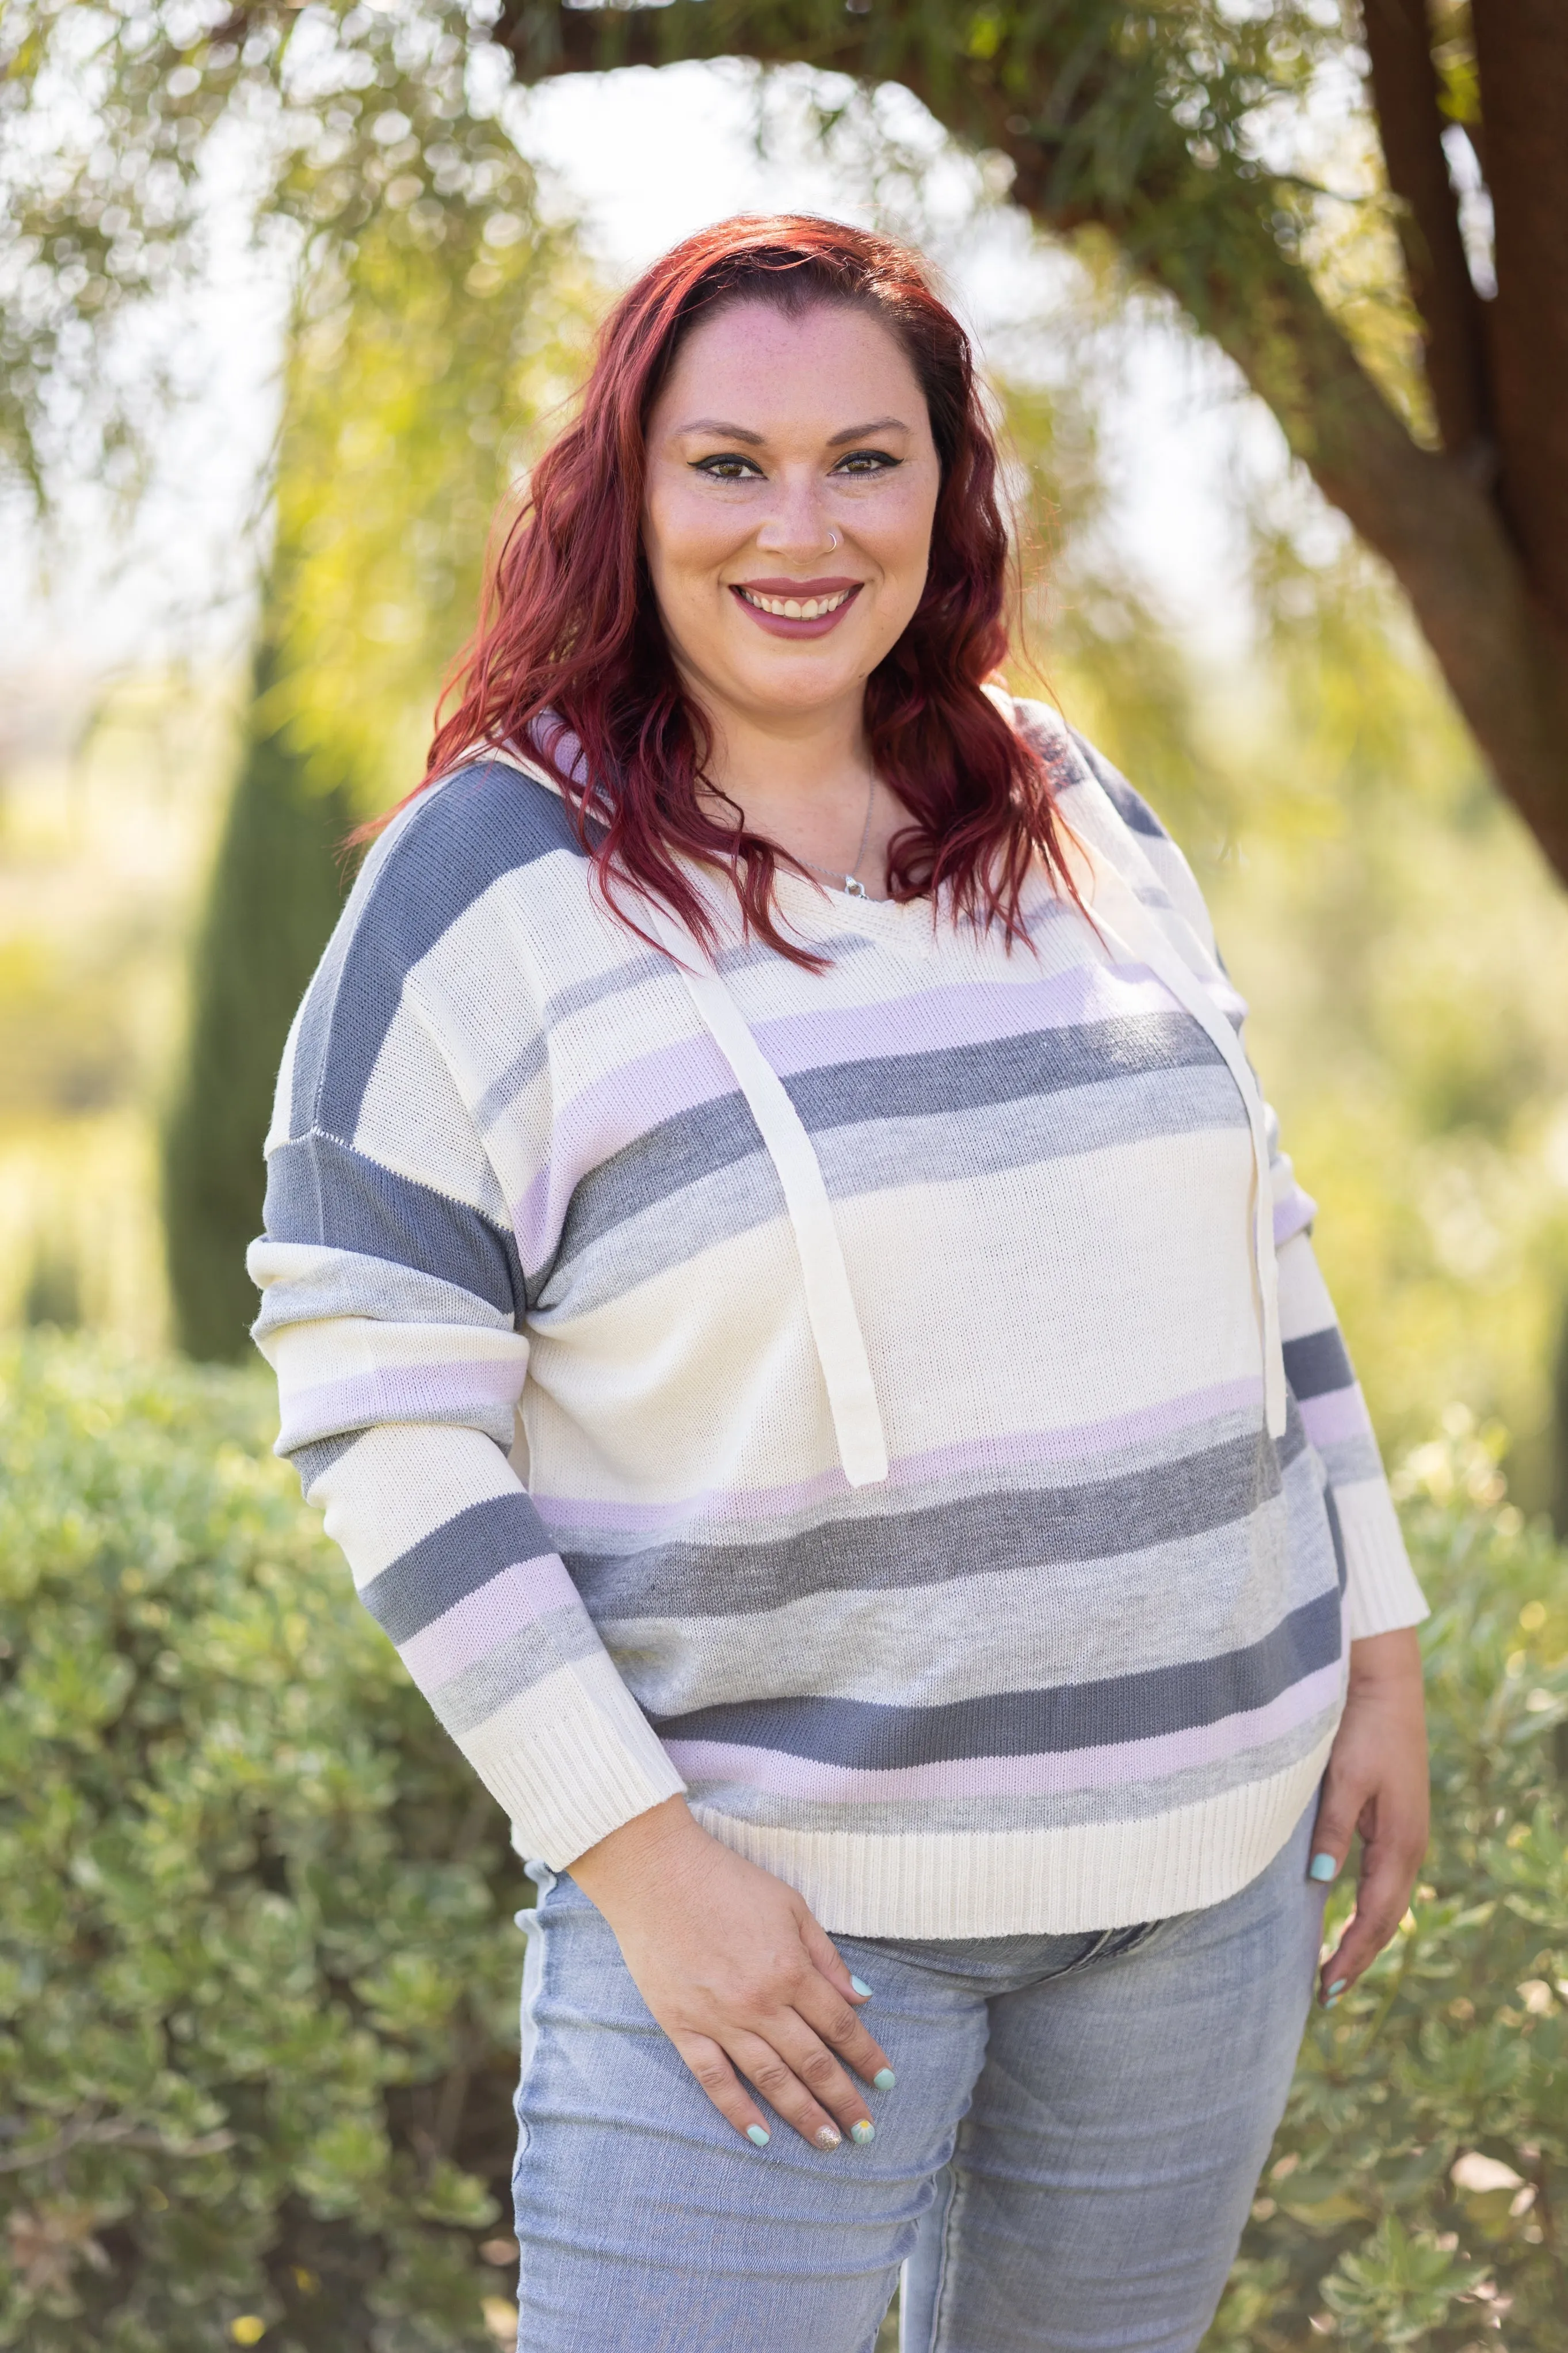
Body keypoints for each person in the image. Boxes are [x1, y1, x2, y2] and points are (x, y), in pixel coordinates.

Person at [249, 215, 1430, 2353]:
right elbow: (375, 1396)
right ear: (625, 493)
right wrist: (642, 1867)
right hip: (765, 1927)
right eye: (728, 464)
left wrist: (1380, 1641)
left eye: (864, 461)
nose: (800, 528)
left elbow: (1253, 1235)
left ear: (947, 491)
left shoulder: (1066, 801)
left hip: (1200, 1873)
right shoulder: (486, 886)